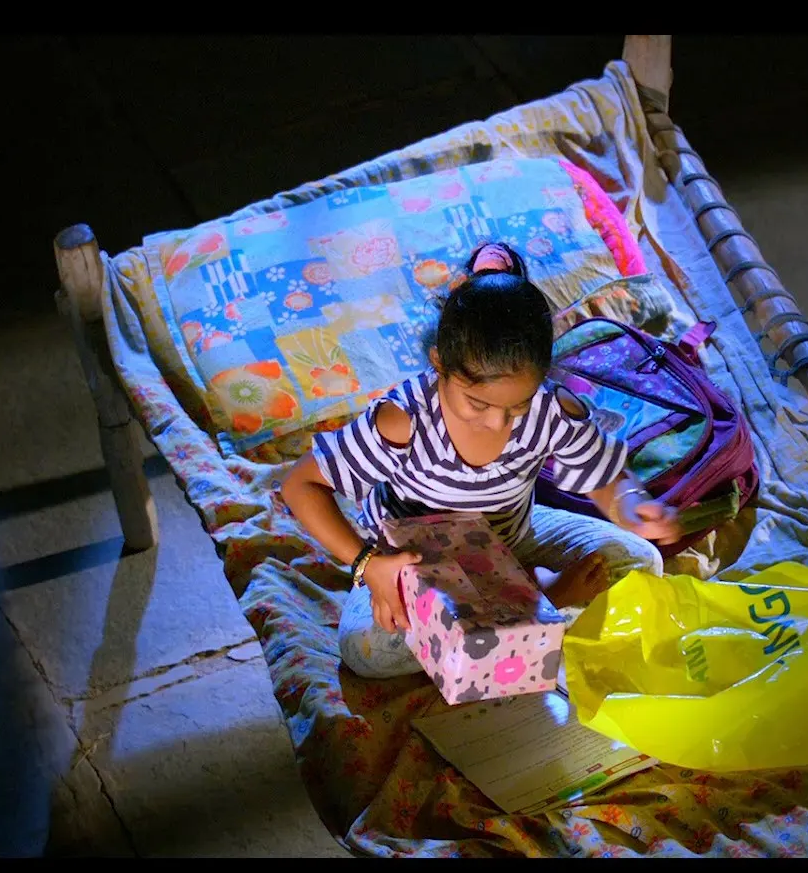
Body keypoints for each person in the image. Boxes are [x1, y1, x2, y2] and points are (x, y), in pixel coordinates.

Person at [280, 239, 683, 679]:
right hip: (416, 564)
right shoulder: (405, 419)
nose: (497, 422)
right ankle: (541, 601)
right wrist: (368, 564)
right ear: (439, 364)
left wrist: (630, 504)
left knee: (640, 563)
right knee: (367, 649)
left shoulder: (550, 409)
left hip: (511, 539)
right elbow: (301, 485)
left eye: (517, 406)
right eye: (477, 403)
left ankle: (515, 611)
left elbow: (603, 478)